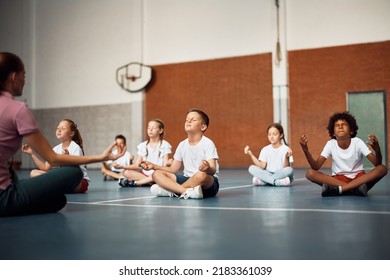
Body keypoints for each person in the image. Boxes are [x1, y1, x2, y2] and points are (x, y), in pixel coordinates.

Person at [0, 52, 125, 216]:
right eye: (24, 75)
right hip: (3, 197)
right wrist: (102, 157)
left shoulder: (74, 147)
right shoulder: (17, 109)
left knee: (57, 200)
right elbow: (52, 159)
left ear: (72, 133)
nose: (25, 80)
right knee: (74, 172)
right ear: (14, 76)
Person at [299, 111, 388, 196]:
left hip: (359, 178)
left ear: (351, 131)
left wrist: (377, 150)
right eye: (337, 125)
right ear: (333, 133)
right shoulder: (330, 144)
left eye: (344, 124)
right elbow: (315, 167)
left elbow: (377, 164)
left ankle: (340, 190)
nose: (340, 127)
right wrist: (305, 150)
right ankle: (356, 189)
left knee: (382, 168)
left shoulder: (357, 142)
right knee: (310, 173)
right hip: (338, 179)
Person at [140, 108, 219, 199]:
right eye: (187, 119)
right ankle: (186, 191)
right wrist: (154, 166)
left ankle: (171, 190)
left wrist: (207, 168)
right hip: (187, 179)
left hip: (208, 184)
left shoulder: (208, 143)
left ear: (203, 127)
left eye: (193, 120)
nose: (188, 121)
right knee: (156, 174)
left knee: (202, 175)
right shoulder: (182, 145)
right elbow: (173, 169)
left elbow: (212, 170)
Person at [21, 119, 90, 193]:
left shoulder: (75, 147)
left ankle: (54, 186)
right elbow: (45, 167)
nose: (59, 130)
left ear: (71, 133)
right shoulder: (56, 149)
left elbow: (75, 172)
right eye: (58, 128)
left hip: (79, 182)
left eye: (63, 128)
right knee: (34, 173)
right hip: (64, 180)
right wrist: (31, 153)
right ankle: (57, 186)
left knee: (60, 179)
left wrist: (66, 159)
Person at [118, 119, 172, 187]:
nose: (150, 130)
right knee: (126, 172)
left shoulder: (165, 144)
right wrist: (122, 166)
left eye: (154, 128)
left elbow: (165, 166)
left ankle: (144, 182)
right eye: (149, 128)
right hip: (144, 175)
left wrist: (168, 164)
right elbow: (136, 165)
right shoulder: (143, 145)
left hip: (158, 173)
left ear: (161, 131)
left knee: (162, 175)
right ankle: (152, 182)